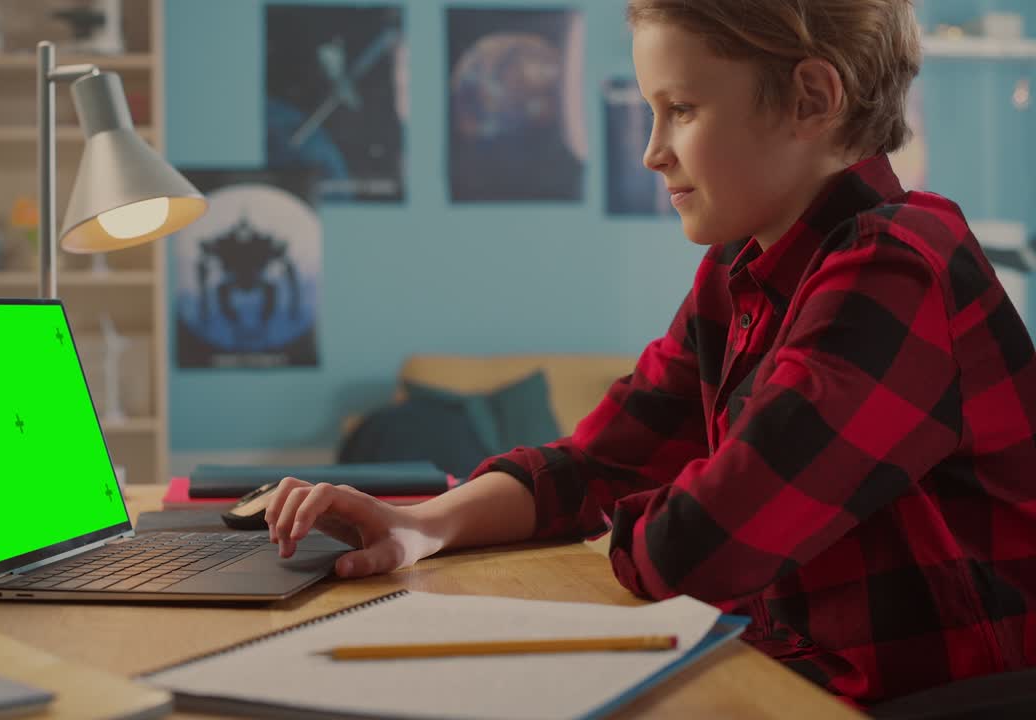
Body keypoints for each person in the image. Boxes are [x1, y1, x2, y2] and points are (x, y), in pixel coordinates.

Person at [265, 0, 1036, 706]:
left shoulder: (900, 266)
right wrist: (421, 525)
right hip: (796, 682)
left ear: (811, 99)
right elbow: (600, 463)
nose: (651, 152)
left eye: (682, 110)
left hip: (931, 700)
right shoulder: (738, 272)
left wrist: (636, 520)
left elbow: (700, 549)